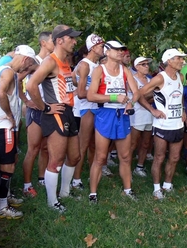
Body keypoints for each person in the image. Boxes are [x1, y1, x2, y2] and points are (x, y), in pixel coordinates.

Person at [26, 25, 82, 212]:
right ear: (60, 40)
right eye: (71, 38)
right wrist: (45, 107)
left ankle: (65, 192)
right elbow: (31, 85)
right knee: (56, 160)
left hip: (69, 112)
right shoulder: (50, 61)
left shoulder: (65, 61)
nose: (75, 42)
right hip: (56, 113)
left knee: (75, 156)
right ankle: (52, 202)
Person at [0, 45, 38, 219]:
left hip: (1, 125)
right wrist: (9, 115)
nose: (27, 69)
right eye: (29, 64)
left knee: (11, 160)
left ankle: (5, 197)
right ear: (25, 59)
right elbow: (0, 94)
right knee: (7, 166)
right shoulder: (8, 72)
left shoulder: (3, 71)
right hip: (4, 127)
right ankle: (1, 206)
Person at [87, 40, 139, 203]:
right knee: (100, 157)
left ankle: (128, 189)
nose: (120, 52)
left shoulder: (125, 71)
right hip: (105, 113)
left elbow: (136, 92)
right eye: (116, 49)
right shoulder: (99, 70)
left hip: (122, 114)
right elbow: (90, 95)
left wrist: (131, 102)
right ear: (107, 52)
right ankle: (93, 193)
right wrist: (114, 97)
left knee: (125, 156)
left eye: (122, 50)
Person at [138, 48, 186, 200]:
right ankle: (156, 188)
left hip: (178, 124)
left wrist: (183, 109)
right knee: (159, 157)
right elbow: (140, 94)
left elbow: (178, 97)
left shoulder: (181, 76)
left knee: (174, 158)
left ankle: (167, 184)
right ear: (170, 61)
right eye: (179, 58)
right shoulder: (160, 78)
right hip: (162, 125)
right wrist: (152, 110)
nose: (182, 61)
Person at [22, 32, 54, 197]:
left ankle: (42, 178)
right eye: (51, 40)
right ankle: (27, 185)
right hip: (35, 110)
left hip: (48, 110)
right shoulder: (34, 61)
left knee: (46, 148)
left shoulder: (52, 61)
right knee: (33, 148)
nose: (54, 42)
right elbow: (16, 78)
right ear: (43, 43)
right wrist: (26, 101)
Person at [71, 34, 105, 190]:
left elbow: (74, 79)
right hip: (86, 107)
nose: (103, 49)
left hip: (96, 106)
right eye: (101, 46)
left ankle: (93, 173)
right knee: (82, 145)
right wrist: (106, 97)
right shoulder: (85, 65)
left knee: (93, 145)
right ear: (93, 47)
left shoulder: (96, 65)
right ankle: (76, 180)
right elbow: (81, 93)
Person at [130, 56, 154, 177]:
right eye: (143, 64)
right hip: (137, 115)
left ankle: (140, 166)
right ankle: (127, 168)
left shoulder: (150, 81)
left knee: (146, 142)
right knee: (133, 143)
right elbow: (138, 97)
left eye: (147, 64)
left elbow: (150, 96)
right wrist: (148, 97)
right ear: (136, 67)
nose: (146, 66)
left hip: (149, 114)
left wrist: (146, 97)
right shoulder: (133, 80)